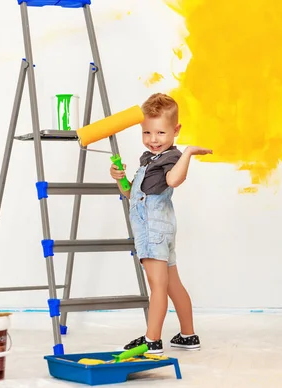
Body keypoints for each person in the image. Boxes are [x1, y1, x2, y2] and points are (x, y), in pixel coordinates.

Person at [110, 93, 212, 354]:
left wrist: (187, 153)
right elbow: (132, 193)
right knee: (172, 284)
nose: (153, 140)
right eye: (147, 133)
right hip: (163, 230)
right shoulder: (149, 159)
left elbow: (174, 180)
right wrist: (119, 178)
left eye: (160, 133)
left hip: (152, 231)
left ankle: (151, 339)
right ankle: (188, 335)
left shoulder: (171, 158)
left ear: (176, 130)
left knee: (157, 286)